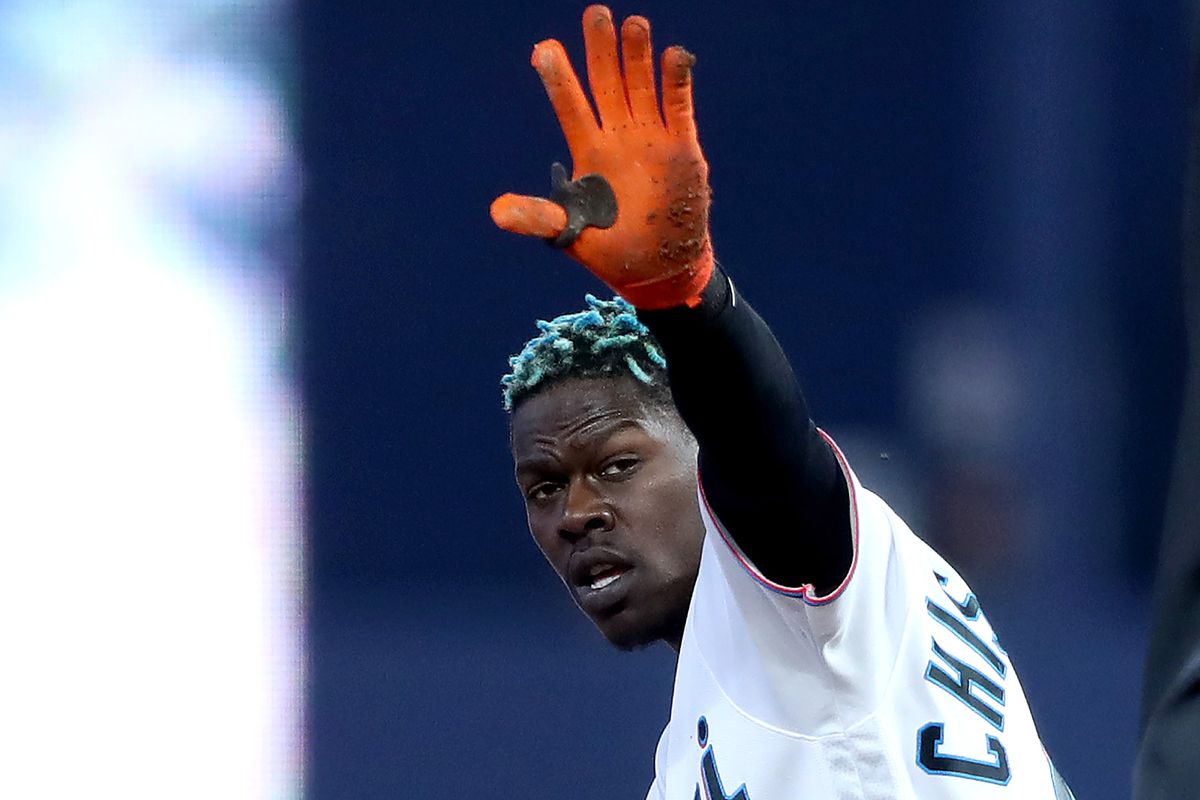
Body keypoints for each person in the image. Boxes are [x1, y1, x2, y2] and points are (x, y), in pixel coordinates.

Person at [491, 7, 1075, 797]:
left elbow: (765, 453)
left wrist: (688, 302)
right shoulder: (721, 715)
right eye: (546, 488)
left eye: (619, 465)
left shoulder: (799, 593)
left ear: (705, 453)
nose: (577, 513)